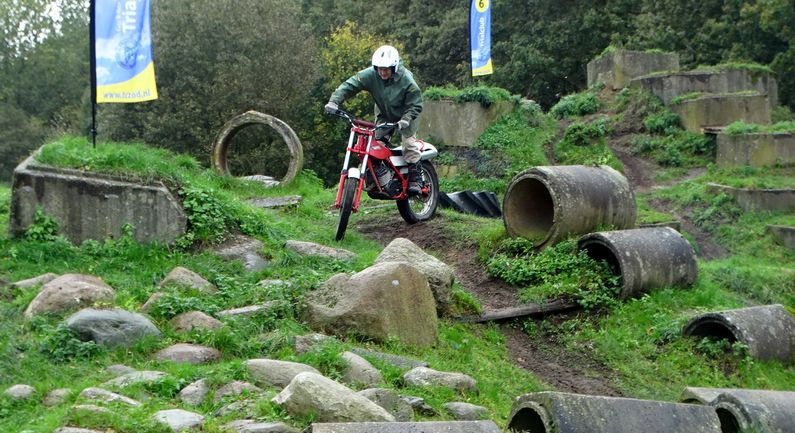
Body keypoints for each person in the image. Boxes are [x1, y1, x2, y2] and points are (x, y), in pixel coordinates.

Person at [325, 45, 424, 196]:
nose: (382, 72)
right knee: (374, 148)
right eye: (379, 68)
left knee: (409, 145)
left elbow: (416, 104)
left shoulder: (406, 80)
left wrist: (406, 119)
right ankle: (380, 179)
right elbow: (349, 85)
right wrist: (334, 101)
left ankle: (415, 180)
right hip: (384, 114)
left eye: (386, 69)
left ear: (394, 67)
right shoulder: (371, 75)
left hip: (407, 115)